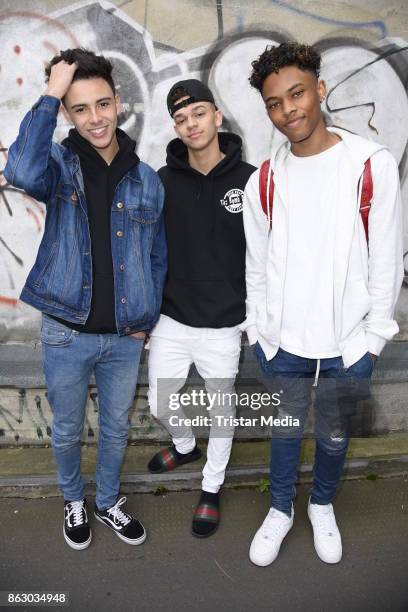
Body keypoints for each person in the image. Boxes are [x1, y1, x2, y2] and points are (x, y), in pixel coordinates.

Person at [243, 42, 403, 565]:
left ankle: (322, 504)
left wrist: (373, 342)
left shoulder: (370, 166)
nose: (289, 109)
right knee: (285, 433)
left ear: (320, 90)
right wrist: (257, 333)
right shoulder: (262, 181)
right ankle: (281, 509)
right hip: (282, 342)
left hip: (349, 344)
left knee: (335, 438)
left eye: (297, 93)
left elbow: (385, 260)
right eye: (275, 102)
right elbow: (257, 266)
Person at [4, 48, 166, 550]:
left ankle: (108, 501)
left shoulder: (146, 178)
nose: (94, 118)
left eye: (102, 104)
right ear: (68, 114)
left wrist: (146, 317)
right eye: (79, 108)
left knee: (116, 430)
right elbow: (21, 172)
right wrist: (51, 92)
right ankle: (74, 499)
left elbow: (156, 256)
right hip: (66, 330)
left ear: (118, 103)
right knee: (69, 428)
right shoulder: (57, 162)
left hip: (123, 336)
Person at [147, 79, 255, 537]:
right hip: (172, 317)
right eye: (180, 118)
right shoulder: (162, 180)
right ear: (175, 126)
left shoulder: (250, 180)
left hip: (224, 323)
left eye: (198, 114)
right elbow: (148, 250)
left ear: (217, 117)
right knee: (159, 403)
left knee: (221, 413)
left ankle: (211, 487)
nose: (190, 124)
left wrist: (255, 316)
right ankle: (185, 445)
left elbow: (266, 254)